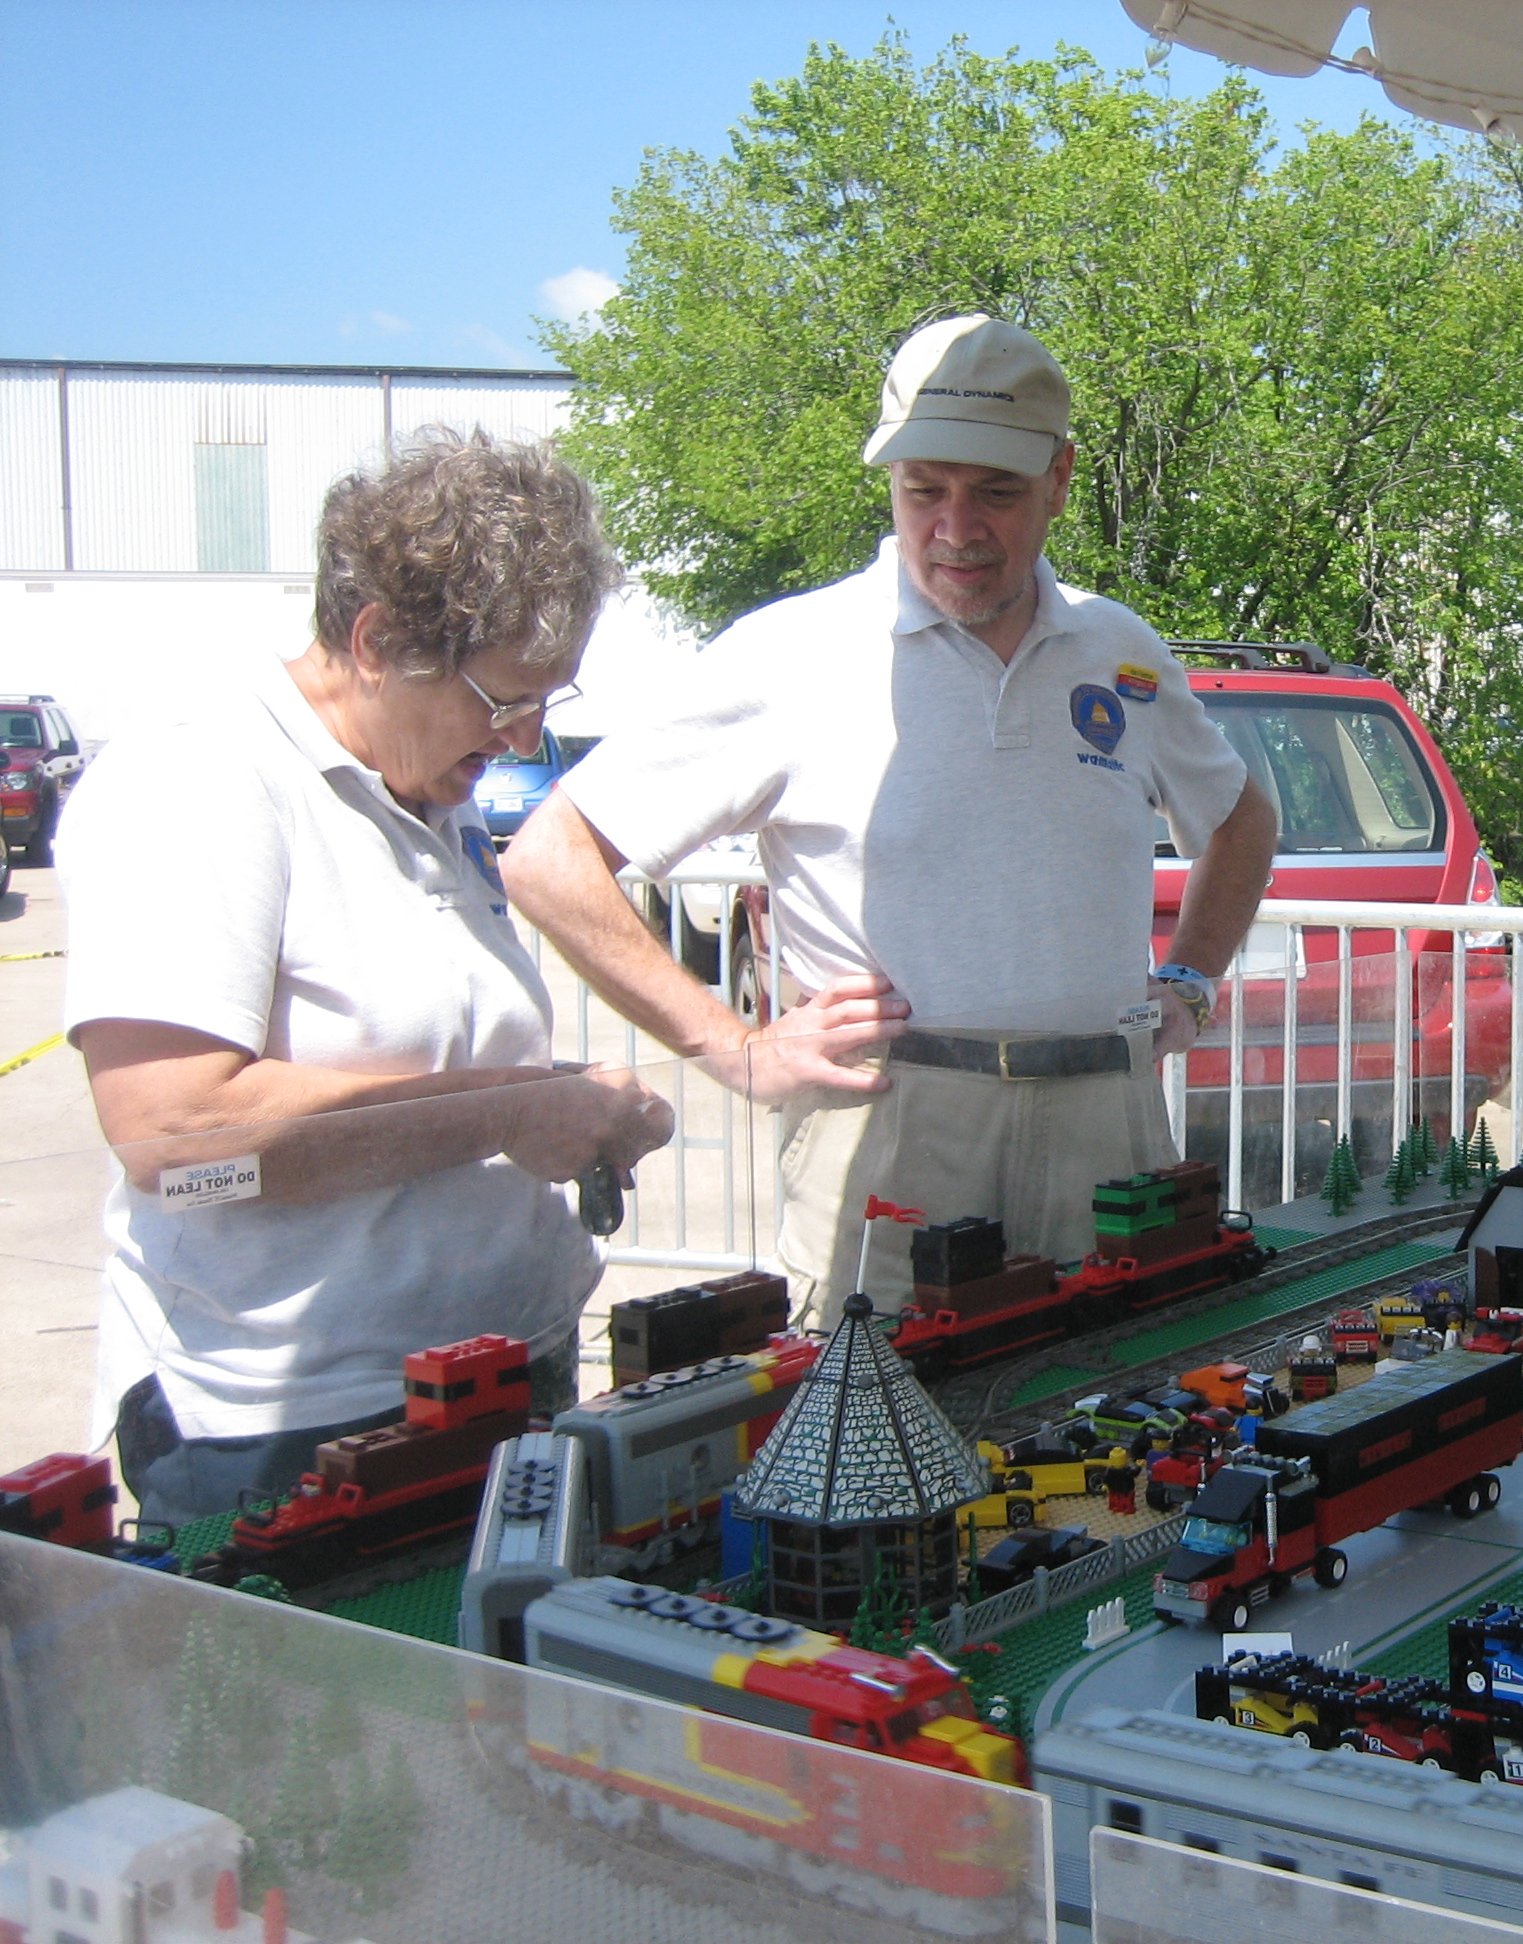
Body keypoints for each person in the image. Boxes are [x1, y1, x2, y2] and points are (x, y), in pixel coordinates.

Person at [505, 314, 1276, 1322]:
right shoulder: (791, 654)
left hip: (1109, 1123)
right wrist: (733, 1047)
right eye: (926, 490)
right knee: (891, 1450)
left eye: (996, 491)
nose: (957, 528)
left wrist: (1192, 983)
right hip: (898, 1127)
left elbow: (1241, 819)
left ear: (1060, 480)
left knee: (1117, 1432)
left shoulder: (1119, 653)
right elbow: (551, 860)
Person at [59, 431, 676, 1526]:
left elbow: (420, 1074)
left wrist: (558, 1108)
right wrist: (507, 1115)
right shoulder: (198, 779)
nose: (527, 733)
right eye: (503, 698)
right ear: (378, 639)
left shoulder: (422, 794)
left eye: (548, 695)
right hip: (289, 1431)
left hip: (488, 1385)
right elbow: (179, 1152)